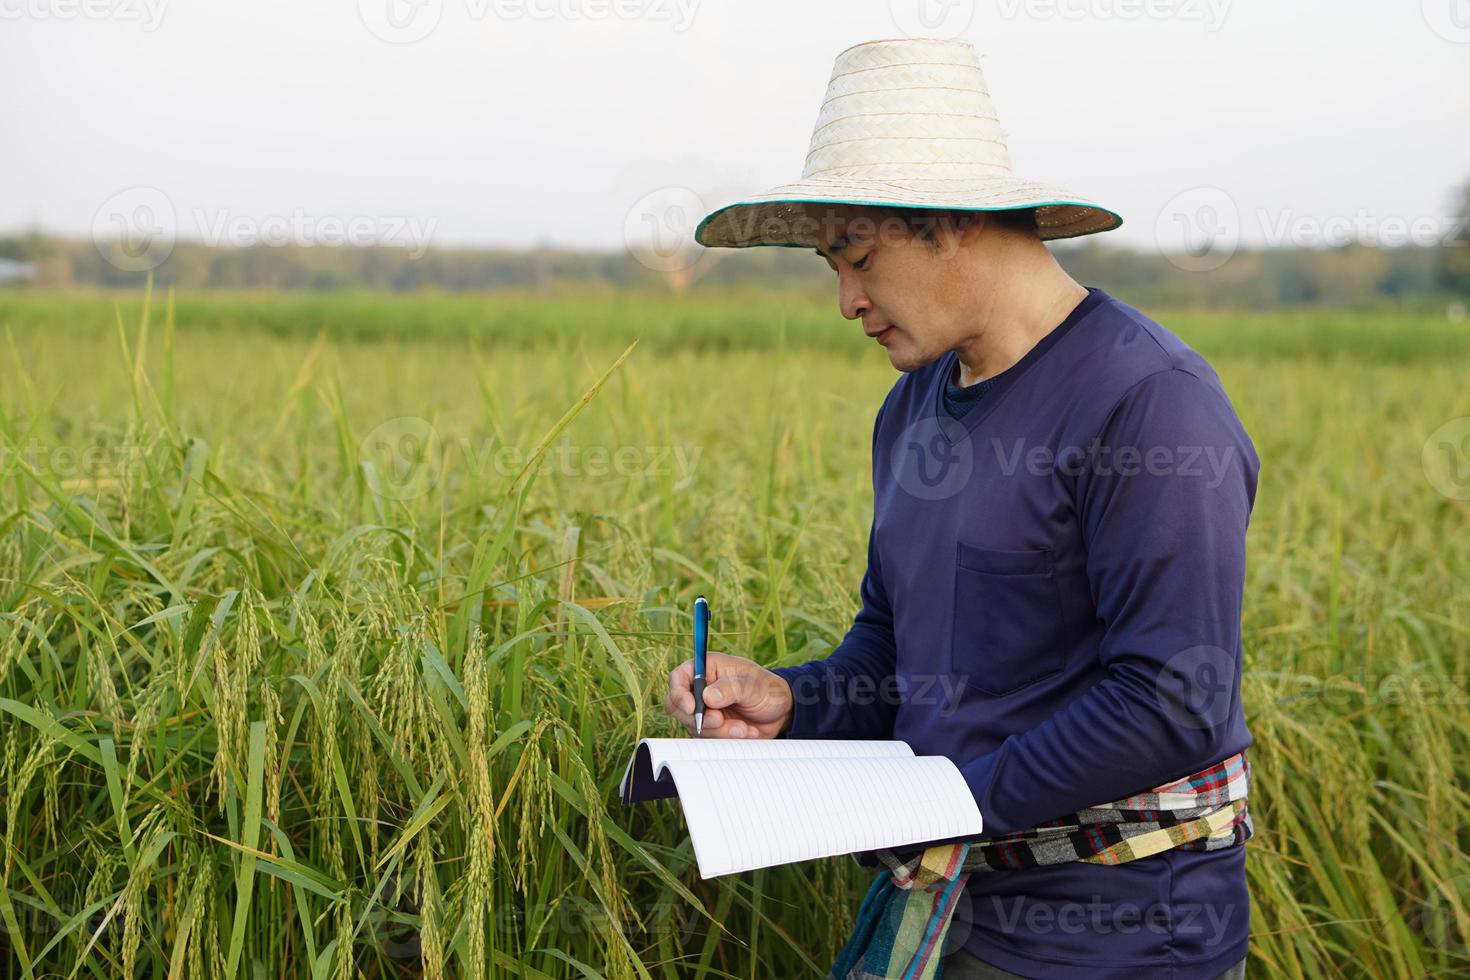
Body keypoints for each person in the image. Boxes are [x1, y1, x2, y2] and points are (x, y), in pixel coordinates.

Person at [664, 37, 1257, 980]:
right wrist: (795, 701)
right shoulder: (912, 408)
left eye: (858, 257)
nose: (848, 301)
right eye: (832, 267)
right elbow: (895, 649)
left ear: (951, 224)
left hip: (1124, 942)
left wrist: (936, 807)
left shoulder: (1149, 402)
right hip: (949, 921)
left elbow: (1169, 699)